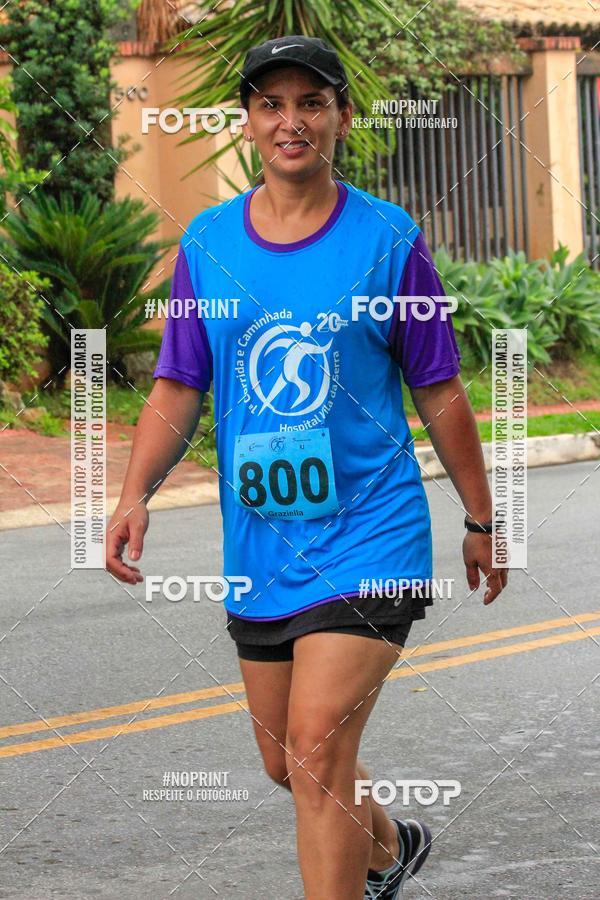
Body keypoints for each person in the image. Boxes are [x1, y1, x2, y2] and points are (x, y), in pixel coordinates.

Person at [106, 35, 507, 900]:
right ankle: (390, 847)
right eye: (272, 104)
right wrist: (133, 493)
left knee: (318, 744)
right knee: (289, 761)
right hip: (263, 546)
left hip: (373, 532)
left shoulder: (391, 240)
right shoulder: (207, 245)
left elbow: (439, 391)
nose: (292, 121)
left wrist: (480, 518)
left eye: (312, 102)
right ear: (249, 121)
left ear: (341, 117)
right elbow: (179, 384)